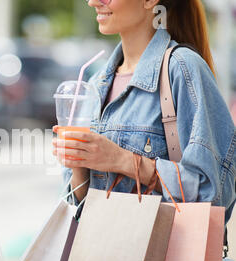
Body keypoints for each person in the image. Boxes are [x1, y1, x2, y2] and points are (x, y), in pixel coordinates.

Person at [53, 0, 236, 222]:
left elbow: (213, 195)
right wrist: (79, 164)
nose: (93, 2)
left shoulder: (182, 69)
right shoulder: (94, 83)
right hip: (103, 253)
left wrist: (122, 160)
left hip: (165, 255)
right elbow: (78, 208)